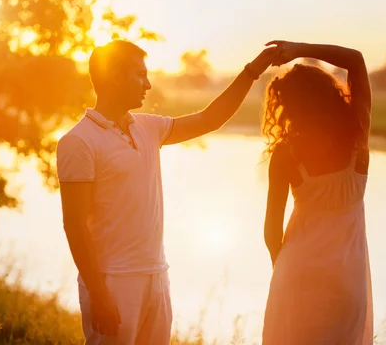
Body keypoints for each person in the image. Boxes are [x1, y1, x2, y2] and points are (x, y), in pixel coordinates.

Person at [56, 39, 278, 344]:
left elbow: (210, 119)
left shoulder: (148, 127)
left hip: (157, 276)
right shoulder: (78, 141)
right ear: (115, 78)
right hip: (113, 281)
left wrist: (252, 71)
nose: (148, 84)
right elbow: (75, 224)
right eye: (139, 75)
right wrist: (99, 292)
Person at [260, 40, 373, 344]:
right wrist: (300, 48)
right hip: (347, 280)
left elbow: (272, 228)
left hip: (296, 273)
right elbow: (356, 60)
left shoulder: (285, 154)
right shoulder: (357, 135)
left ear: (289, 106)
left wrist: (281, 269)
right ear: (329, 95)